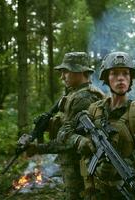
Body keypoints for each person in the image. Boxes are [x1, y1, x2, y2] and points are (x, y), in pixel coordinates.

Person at [72, 51, 135, 199]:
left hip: (127, 190)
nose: (121, 78)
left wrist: (120, 167)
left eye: (125, 73)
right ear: (106, 78)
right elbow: (69, 136)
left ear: (131, 79)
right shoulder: (93, 110)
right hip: (97, 192)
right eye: (114, 74)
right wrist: (84, 146)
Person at [26, 52, 105, 199]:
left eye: (66, 72)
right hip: (74, 167)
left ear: (80, 71)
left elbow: (68, 140)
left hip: (80, 168)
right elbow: (65, 126)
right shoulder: (73, 94)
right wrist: (48, 124)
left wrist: (38, 148)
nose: (62, 77)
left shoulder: (84, 97)